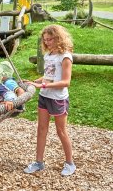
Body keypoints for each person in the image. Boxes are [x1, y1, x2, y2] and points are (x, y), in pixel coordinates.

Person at [24, 24, 75, 176]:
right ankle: (39, 162)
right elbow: (48, 76)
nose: (47, 42)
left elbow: (66, 82)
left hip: (58, 99)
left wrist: (42, 85)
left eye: (50, 39)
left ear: (58, 38)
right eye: (45, 40)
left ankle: (70, 163)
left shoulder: (65, 56)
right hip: (44, 97)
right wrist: (35, 81)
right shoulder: (48, 55)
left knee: (61, 131)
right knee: (41, 129)